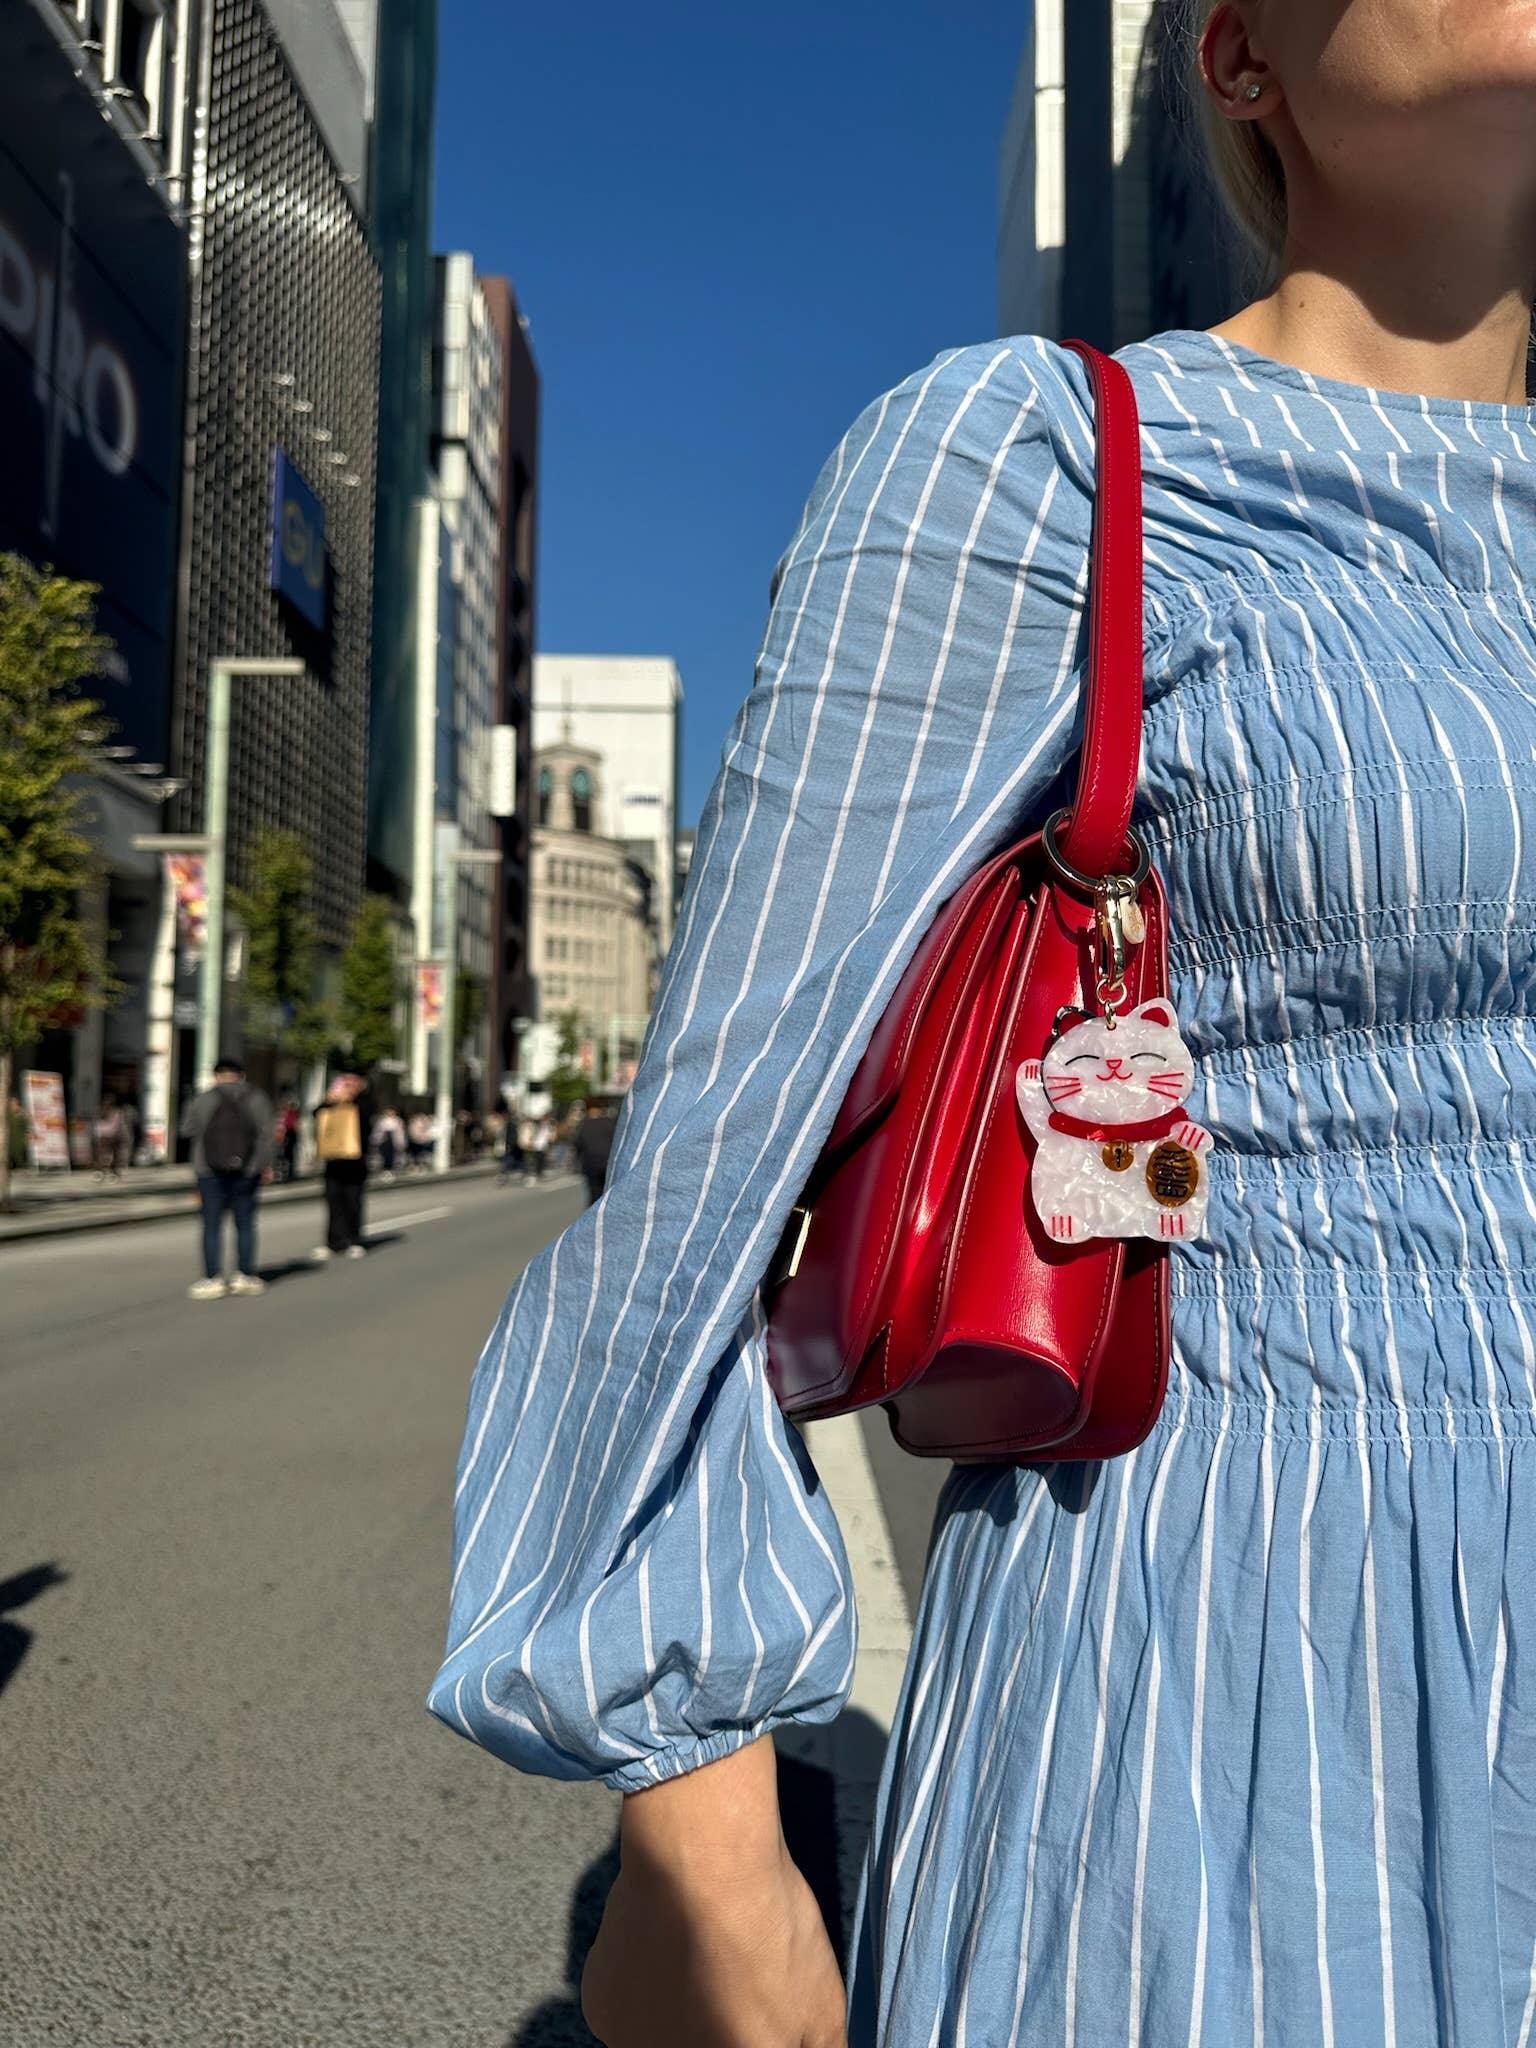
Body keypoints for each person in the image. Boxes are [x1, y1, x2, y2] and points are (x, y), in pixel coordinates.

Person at [431, 10, 1536, 2044]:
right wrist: (706, 1849)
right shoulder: (1054, 462)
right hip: (1238, 1636)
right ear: (1240, 58)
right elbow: (701, 1173)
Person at [179, 1058, 273, 1300]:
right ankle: (245, 1274)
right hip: (247, 1170)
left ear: (216, 1075)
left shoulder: (203, 1099)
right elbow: (268, 1134)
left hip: (208, 1170)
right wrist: (262, 1165)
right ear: (241, 1075)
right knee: (245, 1224)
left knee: (211, 1225)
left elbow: (187, 1129)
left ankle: (213, 1278)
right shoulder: (257, 1098)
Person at [313, 1071, 374, 1260]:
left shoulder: (364, 1103)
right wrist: (329, 1101)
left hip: (356, 1163)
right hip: (333, 1161)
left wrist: (350, 1101)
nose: (347, 1087)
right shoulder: (331, 1104)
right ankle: (334, 1241)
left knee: (353, 1202)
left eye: (351, 1083)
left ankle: (354, 1240)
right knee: (333, 1202)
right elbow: (316, 1114)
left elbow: (366, 1124)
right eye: (344, 1083)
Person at [572, 1100, 615, 1208]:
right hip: (608, 1162)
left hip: (590, 1162)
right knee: (608, 1191)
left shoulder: (583, 1124)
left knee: (594, 1193)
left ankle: (594, 1217)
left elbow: (578, 1144)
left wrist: (576, 1161)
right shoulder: (609, 1123)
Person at [372, 1104, 405, 1180]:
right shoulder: (382, 1120)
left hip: (393, 1140)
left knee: (392, 1156)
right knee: (383, 1155)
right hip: (384, 1140)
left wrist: (401, 1143)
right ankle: (384, 1170)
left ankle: (390, 1171)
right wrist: (375, 1140)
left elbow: (400, 1133)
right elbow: (377, 1131)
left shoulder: (398, 1121)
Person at [273, 1094, 301, 1183]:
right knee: (281, 1158)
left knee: (288, 1157)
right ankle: (281, 1176)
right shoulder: (280, 1115)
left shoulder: (291, 1114)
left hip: (289, 1137)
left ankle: (289, 1175)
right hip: (281, 1138)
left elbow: (293, 1125)